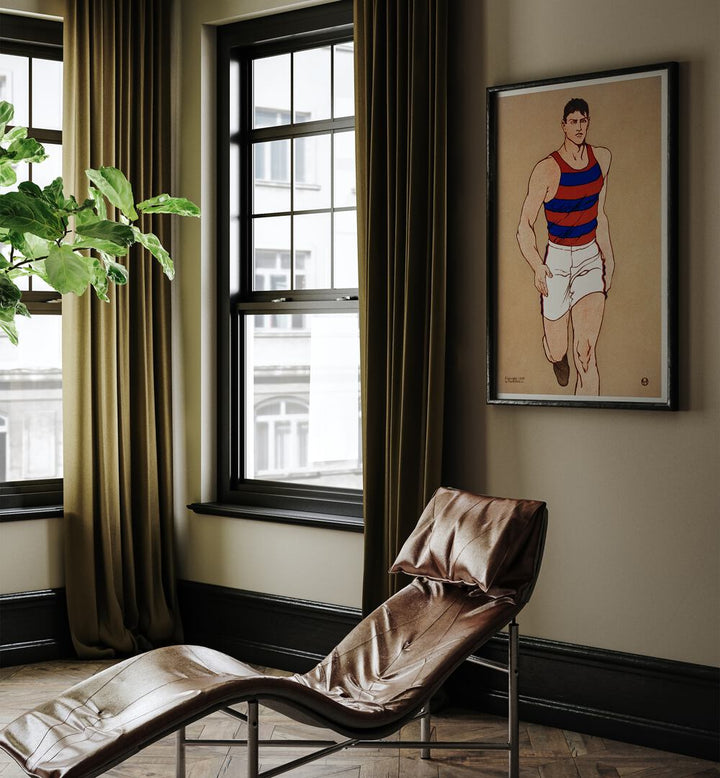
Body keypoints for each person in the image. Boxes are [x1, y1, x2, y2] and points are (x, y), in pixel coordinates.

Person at [516, 97, 614, 395]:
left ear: (588, 122)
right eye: (573, 121)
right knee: (559, 349)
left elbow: (600, 214)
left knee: (586, 351)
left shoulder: (602, 159)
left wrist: (609, 260)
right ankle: (556, 356)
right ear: (564, 125)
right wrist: (537, 266)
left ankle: (591, 418)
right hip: (556, 261)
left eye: (583, 120)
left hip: (588, 257)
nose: (579, 127)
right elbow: (523, 227)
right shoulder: (546, 170)